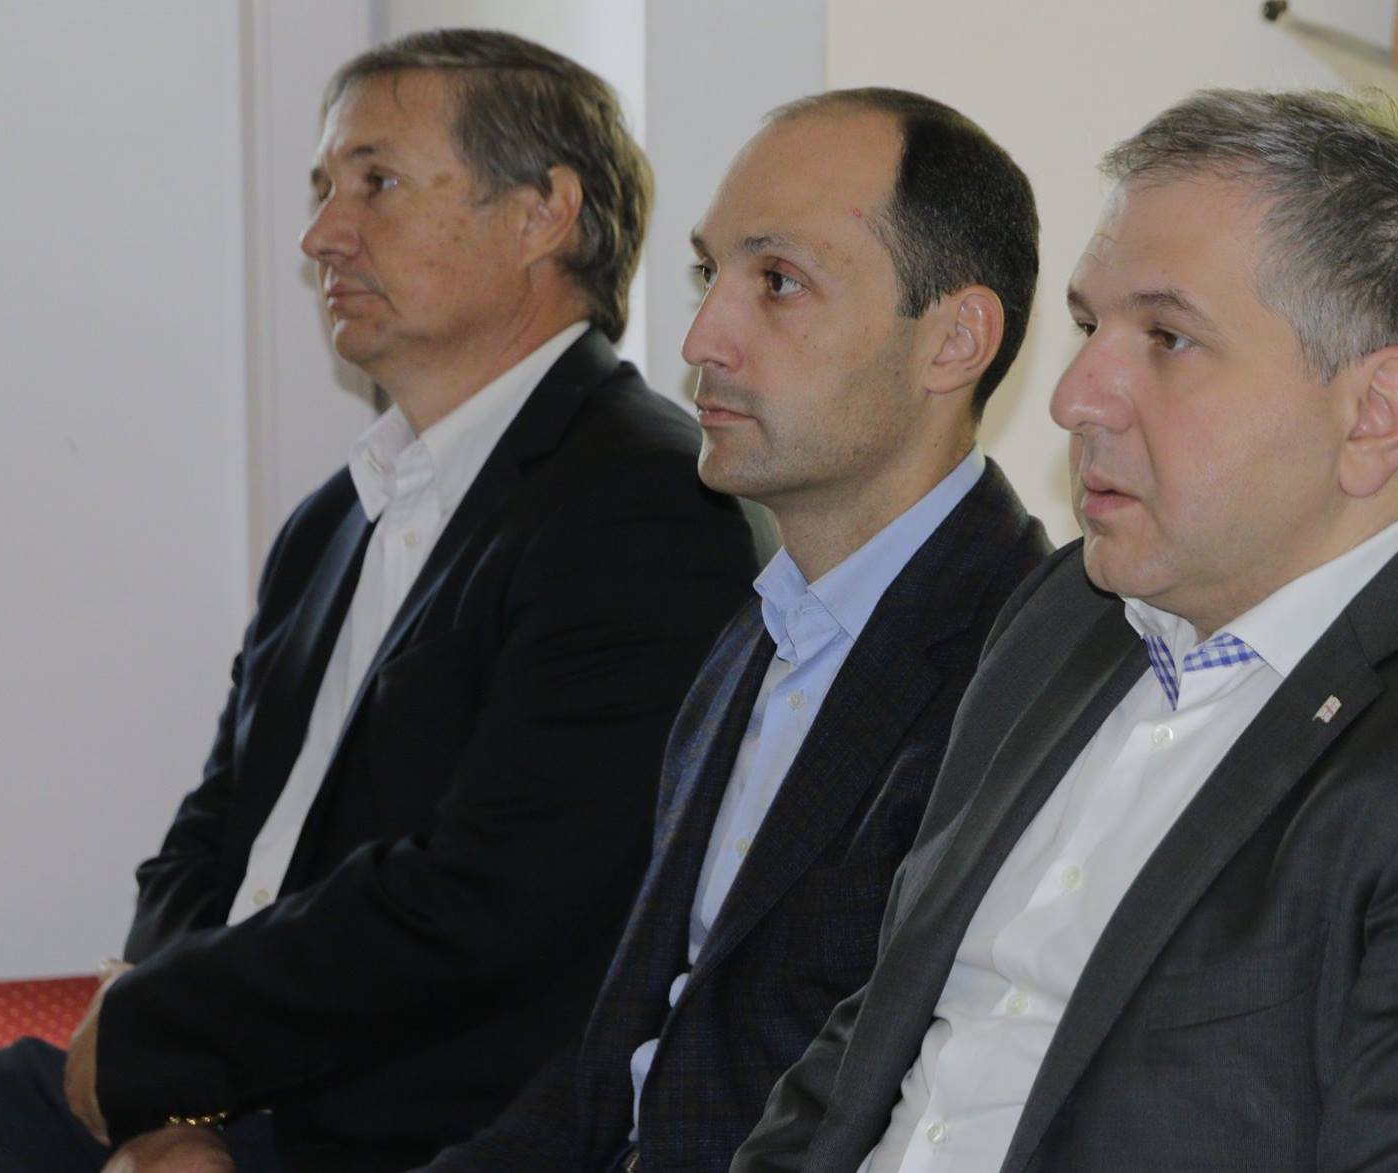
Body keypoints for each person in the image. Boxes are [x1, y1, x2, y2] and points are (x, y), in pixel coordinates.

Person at [0, 30, 757, 1173]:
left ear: (542, 214)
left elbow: (492, 905)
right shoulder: (336, 516)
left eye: (375, 182)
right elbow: (207, 841)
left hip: (392, 1134)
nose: (320, 234)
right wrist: (168, 1104)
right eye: (323, 188)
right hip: (205, 1092)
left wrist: (171, 1057)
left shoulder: (641, 503)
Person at [730, 88, 1398, 1173]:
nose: (1074, 397)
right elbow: (869, 1050)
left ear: (1374, 415)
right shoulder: (1069, 615)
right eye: (1089, 326)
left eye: (1167, 338)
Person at [421, 89, 1051, 1173]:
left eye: (779, 282)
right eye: (710, 273)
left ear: (954, 340)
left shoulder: (1025, 674)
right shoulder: (756, 633)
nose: (703, 338)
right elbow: (622, 1066)